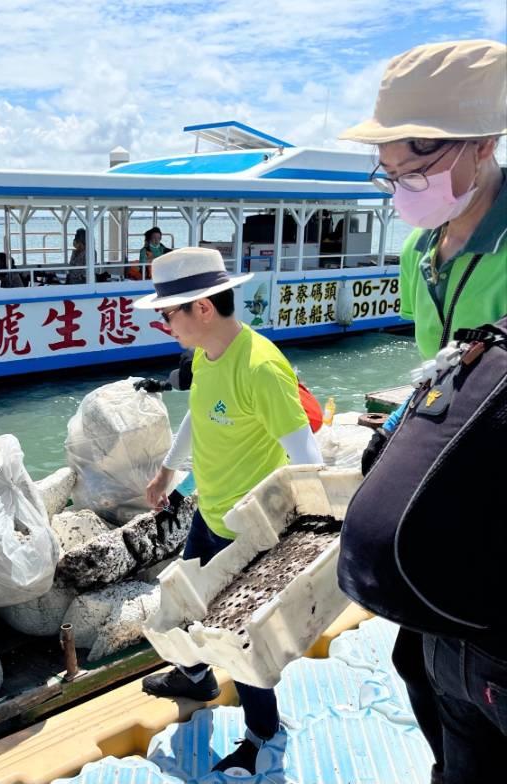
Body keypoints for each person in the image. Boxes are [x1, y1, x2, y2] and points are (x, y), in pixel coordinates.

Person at [339, 39, 507, 784]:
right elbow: (432, 370)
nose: (405, 184)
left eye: (420, 166)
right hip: (443, 502)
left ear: (484, 145)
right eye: (393, 172)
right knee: (423, 667)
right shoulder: (419, 254)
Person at [133, 247, 323, 775]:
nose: (164, 324)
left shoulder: (260, 367)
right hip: (208, 511)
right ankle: (193, 675)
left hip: (252, 533)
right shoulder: (204, 355)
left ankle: (264, 737)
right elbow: (197, 415)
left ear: (203, 308)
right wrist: (169, 472)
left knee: (243, 643)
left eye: (168, 313)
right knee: (190, 604)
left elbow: (308, 457)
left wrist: (306, 544)